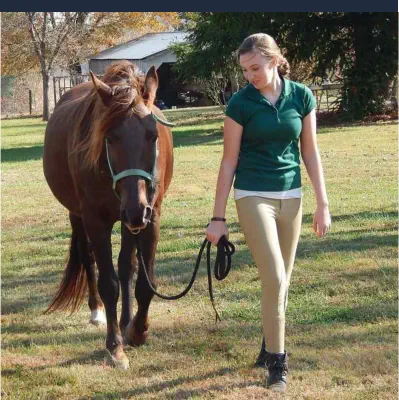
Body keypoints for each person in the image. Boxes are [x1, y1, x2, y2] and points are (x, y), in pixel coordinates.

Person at [206, 33, 331, 392]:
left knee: (282, 281)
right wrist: (218, 217)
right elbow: (229, 160)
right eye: (245, 70)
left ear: (274, 60)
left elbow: (310, 152)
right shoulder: (240, 103)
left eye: (255, 68)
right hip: (252, 194)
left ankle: (265, 346)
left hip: (291, 196)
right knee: (275, 277)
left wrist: (322, 203)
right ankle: (277, 364)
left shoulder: (301, 96)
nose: (250, 76)